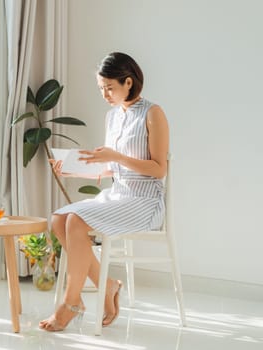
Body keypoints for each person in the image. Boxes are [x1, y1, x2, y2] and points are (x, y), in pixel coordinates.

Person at [39, 52, 169, 332]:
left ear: (129, 82)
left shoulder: (153, 113)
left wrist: (117, 157)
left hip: (145, 201)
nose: (105, 95)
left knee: (76, 220)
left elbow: (159, 170)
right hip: (118, 194)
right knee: (58, 219)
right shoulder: (112, 117)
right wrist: (72, 169)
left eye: (110, 88)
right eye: (101, 89)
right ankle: (106, 285)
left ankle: (70, 303)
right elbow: (111, 168)